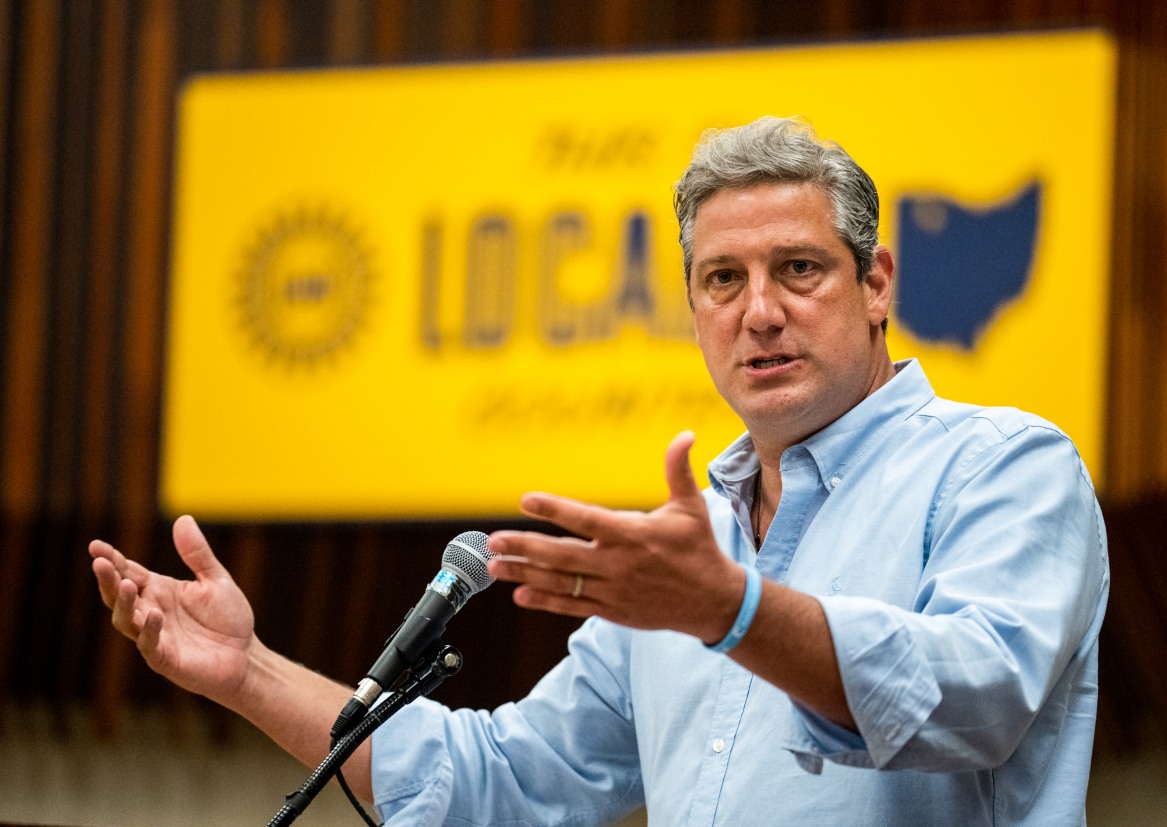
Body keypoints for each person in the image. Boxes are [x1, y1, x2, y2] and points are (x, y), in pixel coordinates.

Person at [90, 116, 1109, 826]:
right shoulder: (688, 554)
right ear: (692, 305)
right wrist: (249, 670)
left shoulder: (1006, 465)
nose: (759, 310)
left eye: (798, 267)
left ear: (875, 281)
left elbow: (975, 694)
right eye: (723, 278)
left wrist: (733, 612)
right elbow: (499, 783)